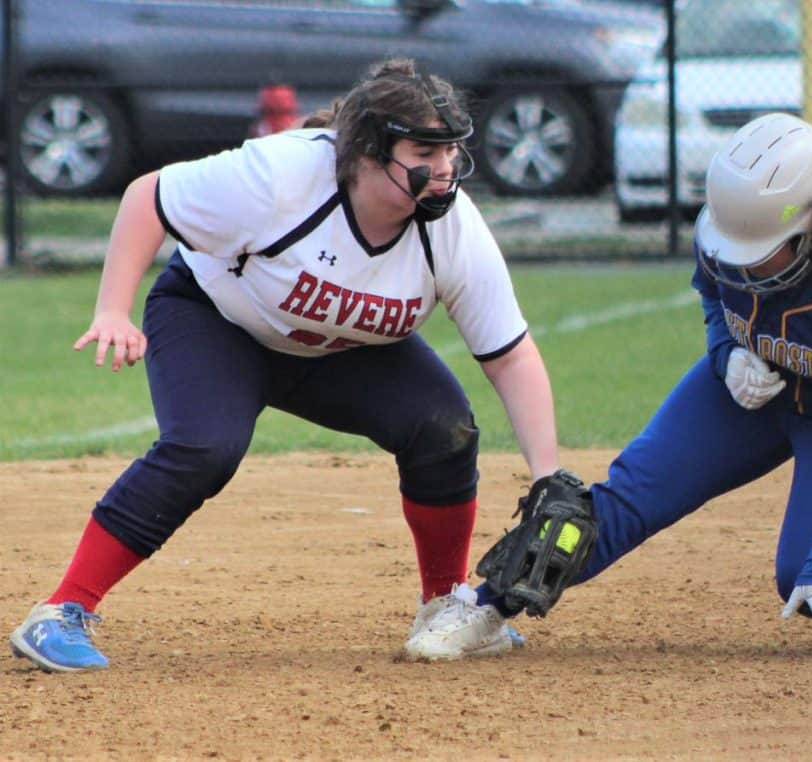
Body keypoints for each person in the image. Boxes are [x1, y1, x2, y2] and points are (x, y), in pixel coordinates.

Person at [9, 58, 560, 672]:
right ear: (372, 150)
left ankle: (444, 605)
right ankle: (61, 611)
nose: (445, 170)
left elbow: (510, 357)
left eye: (451, 151)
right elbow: (149, 197)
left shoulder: (452, 229)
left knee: (444, 428)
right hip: (216, 322)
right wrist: (113, 308)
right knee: (204, 447)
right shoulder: (281, 176)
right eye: (424, 151)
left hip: (339, 350)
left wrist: (548, 478)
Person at [407, 112, 812, 660]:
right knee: (623, 500)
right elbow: (716, 296)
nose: (737, 266)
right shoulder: (733, 227)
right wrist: (726, 352)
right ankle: (486, 609)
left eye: (755, 254)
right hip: (753, 389)